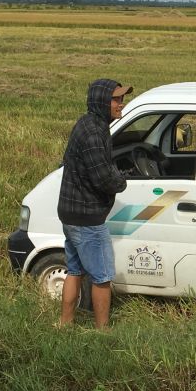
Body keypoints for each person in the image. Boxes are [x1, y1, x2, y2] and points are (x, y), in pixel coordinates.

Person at [57, 79, 131, 328]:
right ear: (101, 101)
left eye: (121, 98)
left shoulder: (87, 124)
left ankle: (65, 325)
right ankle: (102, 332)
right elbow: (103, 178)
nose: (121, 104)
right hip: (87, 217)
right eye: (116, 99)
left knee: (74, 270)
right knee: (102, 278)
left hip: (71, 213)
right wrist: (122, 181)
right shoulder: (94, 133)